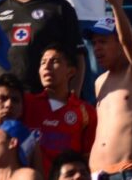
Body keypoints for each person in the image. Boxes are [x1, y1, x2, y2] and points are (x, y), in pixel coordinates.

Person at [87, 0, 132, 177]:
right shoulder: (100, 82)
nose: (97, 48)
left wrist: (115, 3)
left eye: (103, 42)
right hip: (97, 173)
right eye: (94, 43)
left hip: (129, 170)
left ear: (119, 44)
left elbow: (129, 41)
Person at [23, 44, 96, 175]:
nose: (46, 66)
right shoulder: (26, 103)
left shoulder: (86, 111)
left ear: (71, 72)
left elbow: (87, 159)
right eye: (43, 62)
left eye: (54, 61)